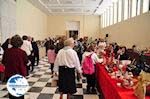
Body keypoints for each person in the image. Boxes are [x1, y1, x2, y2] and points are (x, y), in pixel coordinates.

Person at [2, 35, 28, 99]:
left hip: (9, 74)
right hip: (19, 74)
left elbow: (3, 62)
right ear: (20, 43)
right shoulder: (22, 52)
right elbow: (26, 62)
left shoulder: (7, 51)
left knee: (11, 93)